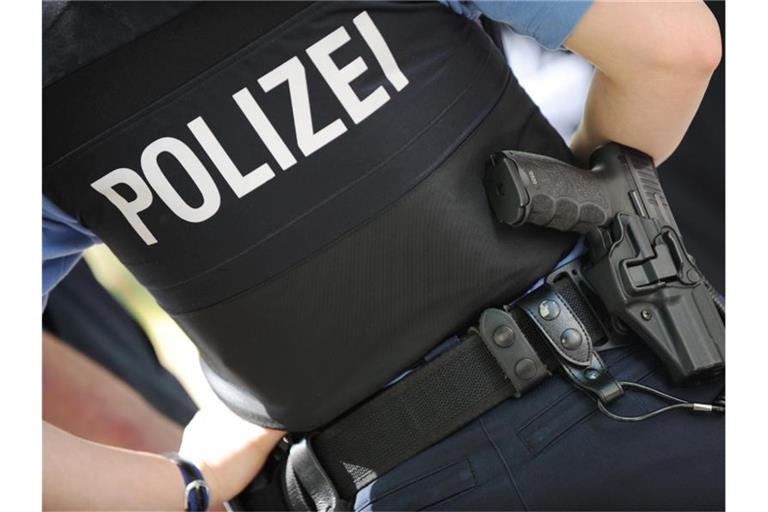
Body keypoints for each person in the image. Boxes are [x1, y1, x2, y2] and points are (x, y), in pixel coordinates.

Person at [42, 1, 723, 510]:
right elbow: (673, 50)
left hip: (382, 480)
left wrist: (190, 482)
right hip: (633, 397)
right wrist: (582, 202)